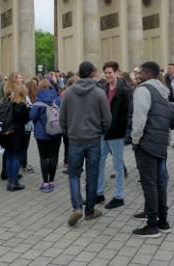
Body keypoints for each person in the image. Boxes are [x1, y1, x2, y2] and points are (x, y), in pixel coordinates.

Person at [59, 61, 111, 226]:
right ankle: (89, 211)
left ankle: (76, 207)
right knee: (92, 175)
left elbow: (62, 118)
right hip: (94, 140)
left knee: (74, 174)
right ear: (91, 74)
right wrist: (101, 131)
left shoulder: (67, 93)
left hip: (74, 140)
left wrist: (69, 133)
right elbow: (107, 119)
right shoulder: (99, 92)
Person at [131, 61, 174, 238]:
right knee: (159, 183)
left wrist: (136, 140)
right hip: (160, 142)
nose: (137, 76)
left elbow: (139, 119)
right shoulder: (162, 91)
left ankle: (151, 226)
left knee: (149, 184)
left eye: (140, 72)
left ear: (147, 74)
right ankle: (163, 222)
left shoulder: (143, 90)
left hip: (147, 143)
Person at [96, 61, 131, 209]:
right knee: (99, 161)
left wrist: (127, 133)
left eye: (110, 72)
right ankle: (98, 193)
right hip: (104, 131)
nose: (107, 75)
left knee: (118, 165)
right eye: (106, 73)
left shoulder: (125, 89)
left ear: (117, 72)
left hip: (117, 132)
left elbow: (129, 113)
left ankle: (119, 196)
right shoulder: (103, 87)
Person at [30, 79, 61, 193]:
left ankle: (46, 183)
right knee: (54, 156)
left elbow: (32, 116)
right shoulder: (57, 99)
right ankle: (52, 182)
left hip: (42, 134)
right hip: (56, 132)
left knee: (43, 157)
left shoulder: (38, 100)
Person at [1, 84, 30, 191]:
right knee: (16, 157)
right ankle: (14, 182)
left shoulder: (9, 102)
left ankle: (9, 181)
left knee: (9, 156)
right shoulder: (22, 105)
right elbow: (23, 121)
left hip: (8, 132)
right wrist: (28, 111)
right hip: (17, 133)